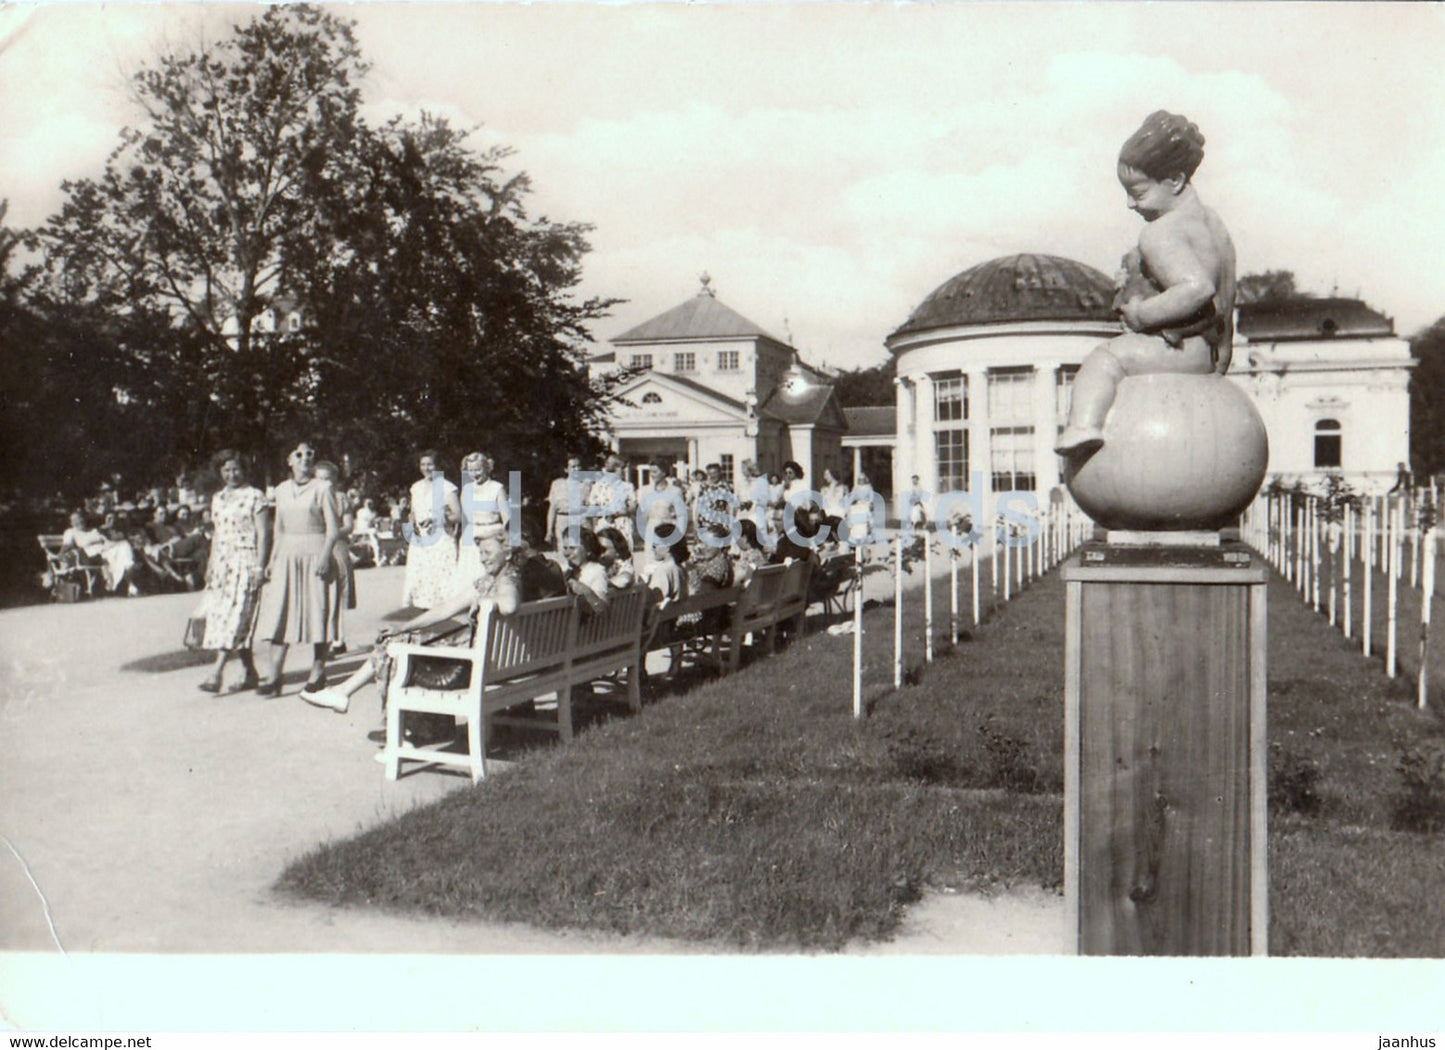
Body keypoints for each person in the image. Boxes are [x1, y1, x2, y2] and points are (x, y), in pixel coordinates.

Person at [1056, 110, 1236, 455]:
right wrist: (1223, 353)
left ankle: (1082, 428)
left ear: (1175, 180)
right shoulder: (1215, 224)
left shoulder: (1160, 232)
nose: (1129, 204)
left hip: (1178, 349)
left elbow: (1198, 288)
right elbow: (1228, 291)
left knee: (1104, 360)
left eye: (1137, 192)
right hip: (1205, 352)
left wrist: (1142, 315)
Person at [299, 527, 524, 715]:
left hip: (472, 664)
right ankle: (346, 692)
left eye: (487, 552)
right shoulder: (495, 579)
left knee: (395, 648)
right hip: (493, 662)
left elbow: (509, 604)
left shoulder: (506, 582)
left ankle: (356, 700)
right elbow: (445, 609)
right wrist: (405, 627)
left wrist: (487, 603)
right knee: (398, 640)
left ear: (506, 551)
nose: (482, 558)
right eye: (481, 553)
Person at [253, 440, 342, 698]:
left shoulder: (323, 488)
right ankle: (274, 674)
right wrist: (271, 560)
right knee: (280, 614)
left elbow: (333, 529)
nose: (305, 458)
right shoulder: (280, 490)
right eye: (299, 454)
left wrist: (325, 556)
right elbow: (278, 528)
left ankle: (318, 671)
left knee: (318, 612)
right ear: (289, 460)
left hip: (316, 553)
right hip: (287, 556)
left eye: (309, 454)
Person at [197, 451, 270, 693]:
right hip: (222, 562)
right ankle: (250, 672)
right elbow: (217, 534)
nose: (231, 474)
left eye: (236, 469)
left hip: (246, 559)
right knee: (227, 617)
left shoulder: (255, 496)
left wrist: (260, 565)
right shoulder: (218, 498)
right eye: (226, 470)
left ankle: (216, 673)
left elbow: (263, 533)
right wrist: (210, 565)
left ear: (245, 469)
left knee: (237, 615)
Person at [402, 448, 460, 609]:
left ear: (438, 466)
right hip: (421, 539)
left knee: (440, 579)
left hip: (441, 539)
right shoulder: (416, 487)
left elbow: (457, 516)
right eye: (423, 464)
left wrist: (437, 519)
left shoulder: (447, 488)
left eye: (430, 464)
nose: (426, 468)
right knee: (421, 578)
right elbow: (413, 513)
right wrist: (412, 523)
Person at [315, 460, 356, 653]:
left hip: (336, 546)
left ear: (335, 480)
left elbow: (348, 526)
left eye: (328, 479)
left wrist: (331, 533)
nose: (324, 483)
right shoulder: (313, 496)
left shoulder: (340, 498)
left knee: (336, 593)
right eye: (319, 479)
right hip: (317, 547)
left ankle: (337, 639)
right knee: (319, 595)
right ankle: (323, 638)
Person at [454, 451, 510, 592]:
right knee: (468, 576)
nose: (475, 474)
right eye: (471, 471)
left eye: (478, 469)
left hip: (491, 533)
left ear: (487, 468)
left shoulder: (497, 488)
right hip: (471, 535)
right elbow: (464, 517)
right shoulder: (467, 490)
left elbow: (507, 518)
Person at [59, 510, 138, 594]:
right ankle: (129, 583)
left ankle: (128, 576)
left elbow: (106, 540)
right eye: (75, 520)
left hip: (106, 550)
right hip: (91, 555)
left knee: (124, 545)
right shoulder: (71, 532)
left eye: (80, 518)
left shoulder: (94, 530)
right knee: (118, 555)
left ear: (84, 519)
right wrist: (60, 555)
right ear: (71, 523)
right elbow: (66, 546)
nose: (79, 521)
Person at [585, 454, 637, 546]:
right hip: (604, 524)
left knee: (624, 554)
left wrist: (618, 513)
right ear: (615, 469)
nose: (624, 472)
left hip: (623, 525)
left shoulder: (627, 487)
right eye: (622, 468)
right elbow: (592, 510)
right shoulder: (598, 487)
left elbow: (633, 508)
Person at [546, 454, 589, 552]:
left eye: (579, 466)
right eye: (573, 467)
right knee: (563, 550)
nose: (577, 469)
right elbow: (552, 508)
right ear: (566, 469)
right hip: (562, 520)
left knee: (580, 550)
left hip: (580, 520)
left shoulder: (586, 485)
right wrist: (549, 530)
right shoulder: (557, 484)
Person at [595, 526, 636, 590]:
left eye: (603, 549)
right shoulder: (595, 566)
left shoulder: (624, 566)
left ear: (617, 551)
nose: (599, 553)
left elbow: (625, 579)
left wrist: (601, 583)